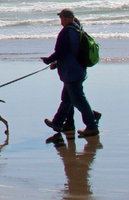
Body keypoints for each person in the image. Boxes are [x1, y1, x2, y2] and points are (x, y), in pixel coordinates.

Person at [42, 9, 100, 138]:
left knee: (78, 100)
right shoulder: (78, 30)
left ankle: (92, 125)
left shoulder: (67, 32)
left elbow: (61, 52)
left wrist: (48, 60)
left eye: (61, 17)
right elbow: (72, 53)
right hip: (78, 70)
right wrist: (56, 64)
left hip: (71, 72)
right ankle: (58, 123)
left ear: (68, 18)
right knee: (67, 99)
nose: (60, 20)